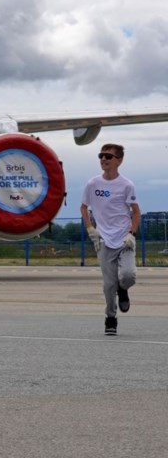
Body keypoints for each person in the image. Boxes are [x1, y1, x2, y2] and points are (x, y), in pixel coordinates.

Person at [80, 143, 141, 336]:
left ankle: (123, 290)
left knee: (128, 276)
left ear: (119, 161)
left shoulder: (126, 185)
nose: (103, 160)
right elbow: (83, 207)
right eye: (101, 156)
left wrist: (131, 233)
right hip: (104, 240)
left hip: (124, 239)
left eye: (108, 156)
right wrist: (91, 229)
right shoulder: (92, 184)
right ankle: (110, 318)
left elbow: (136, 212)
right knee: (108, 284)